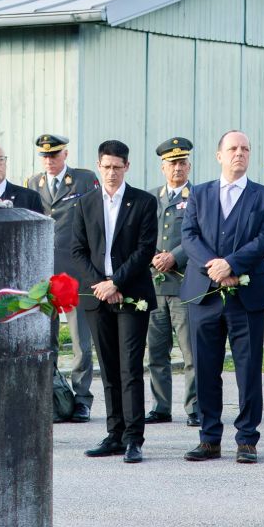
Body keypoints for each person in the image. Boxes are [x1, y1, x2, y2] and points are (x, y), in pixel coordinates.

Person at [179, 130, 264, 464]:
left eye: (245, 149)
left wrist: (232, 264)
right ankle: (209, 438)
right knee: (205, 368)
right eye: (233, 148)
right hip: (204, 294)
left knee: (248, 369)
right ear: (219, 155)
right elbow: (188, 235)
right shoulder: (199, 193)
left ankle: (247, 439)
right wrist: (214, 267)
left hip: (246, 295)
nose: (239, 153)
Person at [70, 140, 159, 464]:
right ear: (99, 166)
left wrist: (116, 282)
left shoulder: (144, 202)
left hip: (131, 294)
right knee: (108, 368)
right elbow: (78, 250)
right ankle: (115, 434)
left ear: (127, 167)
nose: (111, 173)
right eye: (106, 167)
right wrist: (102, 285)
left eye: (117, 167)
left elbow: (145, 249)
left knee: (130, 367)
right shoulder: (85, 204)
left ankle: (134, 438)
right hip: (98, 296)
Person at [29, 134, 100, 423]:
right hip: (44, 275)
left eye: (55, 154)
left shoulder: (83, 180)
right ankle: (52, 396)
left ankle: (82, 399)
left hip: (76, 273)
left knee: (81, 342)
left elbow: (96, 221)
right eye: (45, 156)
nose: (49, 160)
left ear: (65, 154)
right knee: (47, 341)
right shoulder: (33, 183)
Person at [147, 137, 199, 426]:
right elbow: (141, 235)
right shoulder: (150, 198)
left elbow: (200, 235)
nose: (177, 168)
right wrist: (154, 257)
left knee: (191, 352)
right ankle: (160, 406)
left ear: (189, 166)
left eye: (182, 163)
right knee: (156, 352)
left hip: (184, 286)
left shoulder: (198, 197)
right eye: (172, 163)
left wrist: (174, 256)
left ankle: (195, 407)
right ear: (163, 167)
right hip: (154, 286)